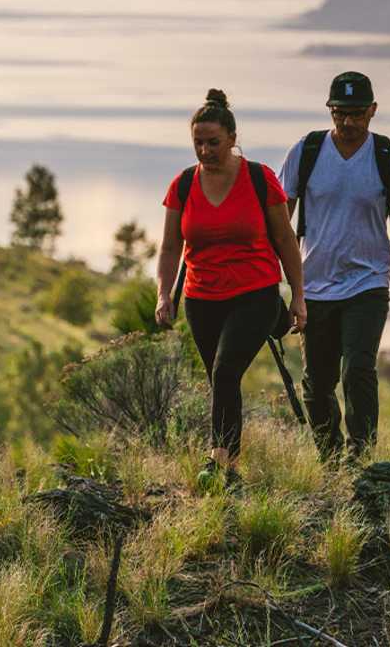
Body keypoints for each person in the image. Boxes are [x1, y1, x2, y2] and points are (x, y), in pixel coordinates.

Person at [155, 89, 307, 487]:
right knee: (222, 380)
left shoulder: (259, 179)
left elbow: (285, 239)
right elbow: (171, 246)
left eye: (213, 142)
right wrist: (163, 294)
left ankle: (217, 460)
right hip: (202, 298)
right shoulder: (184, 184)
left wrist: (298, 296)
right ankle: (232, 467)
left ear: (233, 139)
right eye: (198, 143)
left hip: (254, 291)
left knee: (224, 372)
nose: (205, 151)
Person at [279, 71, 390, 461]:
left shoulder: (389, 159)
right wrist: (271, 283)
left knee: (358, 371)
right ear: (330, 111)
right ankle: (331, 461)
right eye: (340, 113)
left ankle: (359, 457)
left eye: (357, 114)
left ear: (373, 111)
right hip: (313, 286)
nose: (348, 122)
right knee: (316, 383)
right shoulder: (306, 152)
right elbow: (279, 223)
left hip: (368, 283)